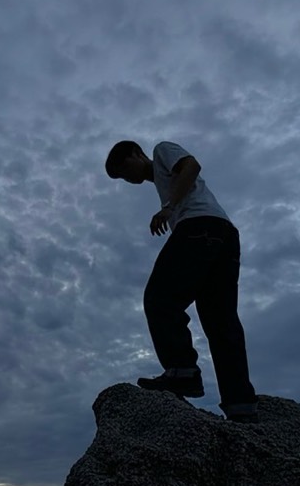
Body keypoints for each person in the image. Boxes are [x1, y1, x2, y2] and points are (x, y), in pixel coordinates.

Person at [105, 140, 258, 422]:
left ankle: (182, 372)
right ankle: (241, 406)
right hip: (224, 236)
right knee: (220, 321)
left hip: (200, 228)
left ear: (137, 154)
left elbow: (192, 165)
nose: (128, 179)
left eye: (125, 169)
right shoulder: (163, 182)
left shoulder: (162, 150)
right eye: (122, 178)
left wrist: (168, 207)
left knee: (160, 298)